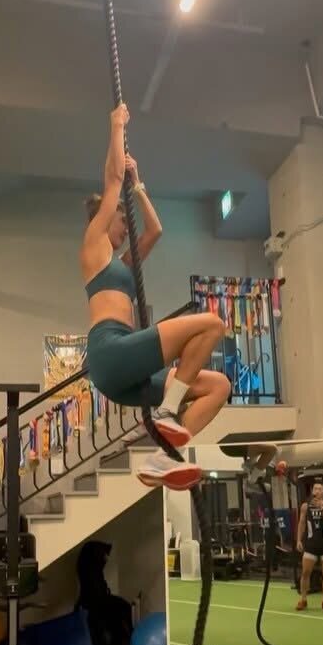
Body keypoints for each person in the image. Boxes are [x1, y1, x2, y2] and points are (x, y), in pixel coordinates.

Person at [82, 103, 231, 490]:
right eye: (121, 220)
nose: (124, 228)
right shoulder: (95, 246)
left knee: (218, 387)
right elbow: (111, 178)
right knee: (212, 325)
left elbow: (154, 231)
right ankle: (167, 413)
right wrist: (116, 124)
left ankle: (166, 456)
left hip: (127, 370)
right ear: (104, 218)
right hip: (110, 351)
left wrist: (139, 184)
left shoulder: (122, 263)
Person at [296, 480, 323, 612]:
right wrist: (298, 540)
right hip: (311, 543)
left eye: (320, 489)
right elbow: (302, 523)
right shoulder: (305, 506)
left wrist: (322, 508)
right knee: (305, 572)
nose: (317, 491)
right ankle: (303, 599)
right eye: (315, 488)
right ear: (312, 491)